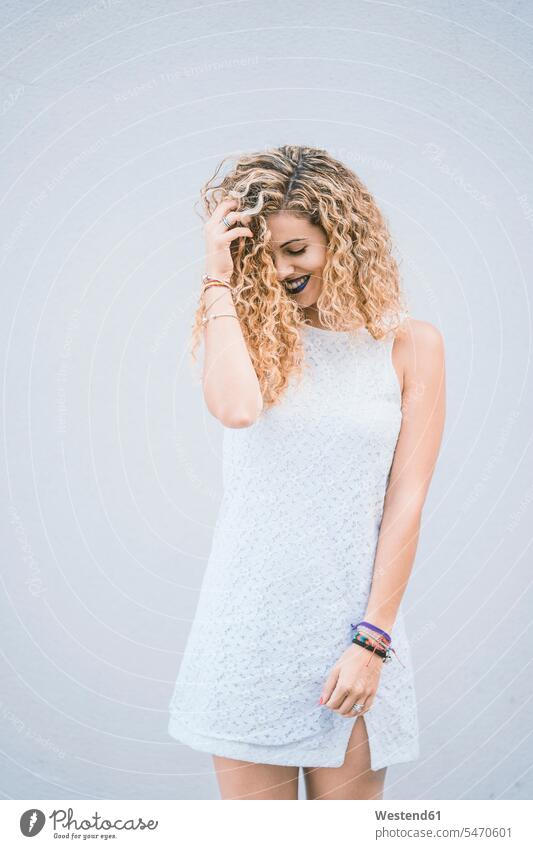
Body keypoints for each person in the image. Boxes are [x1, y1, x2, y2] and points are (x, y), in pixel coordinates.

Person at [168, 144, 446, 800]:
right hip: (249, 633)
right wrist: (217, 280)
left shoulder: (411, 347)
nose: (280, 269)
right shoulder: (252, 337)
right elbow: (236, 409)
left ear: (341, 237)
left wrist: (371, 640)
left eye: (296, 248)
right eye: (260, 254)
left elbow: (404, 501)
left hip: (351, 638)